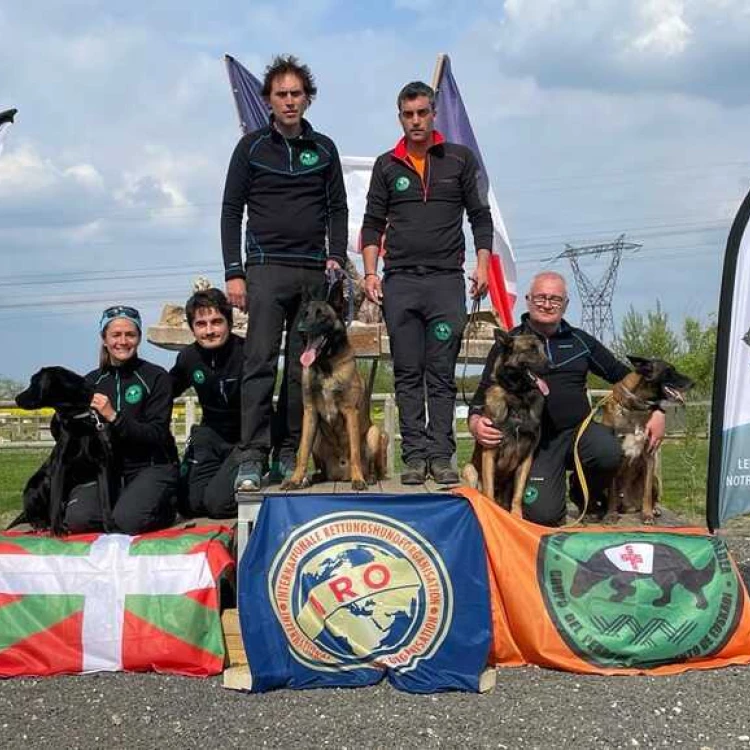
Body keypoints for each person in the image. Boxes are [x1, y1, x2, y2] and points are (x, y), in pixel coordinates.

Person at [221, 54, 348, 492]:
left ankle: (291, 450)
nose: (289, 101)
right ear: (268, 100)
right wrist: (233, 272)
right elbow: (230, 211)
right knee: (258, 362)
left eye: (297, 93)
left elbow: (337, 208)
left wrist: (337, 256)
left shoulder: (325, 148)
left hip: (313, 273)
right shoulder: (251, 148)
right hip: (265, 269)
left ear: (307, 99)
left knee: (303, 369)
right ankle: (252, 456)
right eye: (281, 94)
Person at [360, 81, 492, 485]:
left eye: (422, 112)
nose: (415, 121)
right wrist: (369, 273)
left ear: (433, 113)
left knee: (440, 372)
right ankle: (414, 457)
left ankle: (441, 455)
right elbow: (371, 225)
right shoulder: (386, 165)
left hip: (445, 283)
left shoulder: (458, 159)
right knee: (406, 372)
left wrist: (483, 265)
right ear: (399, 117)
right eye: (408, 114)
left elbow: (479, 216)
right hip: (399, 282)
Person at [468, 272, 667, 526]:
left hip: (577, 434)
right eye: (541, 297)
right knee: (544, 516)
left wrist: (658, 410)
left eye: (555, 299)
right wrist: (475, 422)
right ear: (528, 300)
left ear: (565, 304)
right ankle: (552, 484)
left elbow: (627, 377)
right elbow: (483, 390)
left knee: (609, 451)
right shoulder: (511, 343)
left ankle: (583, 488)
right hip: (537, 444)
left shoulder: (580, 341)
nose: (547, 304)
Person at [64, 305, 179, 534]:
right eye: (116, 335)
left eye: (130, 334)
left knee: (127, 522)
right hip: (109, 470)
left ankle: (167, 504)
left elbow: (156, 434)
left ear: (138, 338)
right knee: (78, 519)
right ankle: (124, 503)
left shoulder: (156, 377)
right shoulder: (90, 381)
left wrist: (113, 416)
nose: (123, 341)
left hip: (152, 466)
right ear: (104, 339)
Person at [170, 288, 242, 518]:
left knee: (217, 505)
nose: (209, 331)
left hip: (245, 440)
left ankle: (260, 485)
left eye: (216, 322)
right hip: (211, 436)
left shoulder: (248, 352)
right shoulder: (188, 358)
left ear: (228, 323)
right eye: (201, 324)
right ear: (192, 328)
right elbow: (163, 393)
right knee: (188, 505)